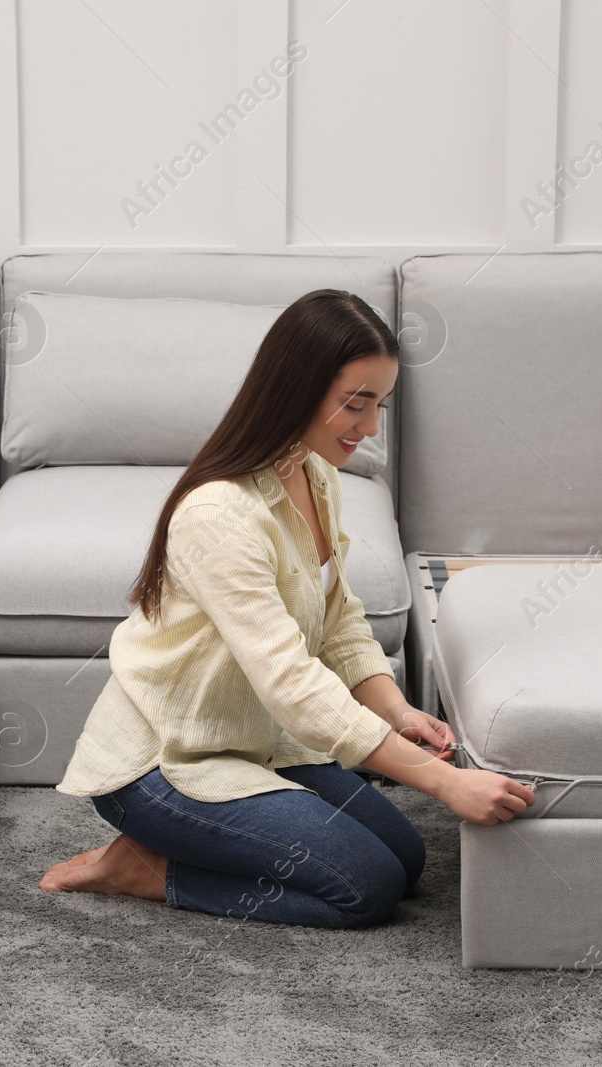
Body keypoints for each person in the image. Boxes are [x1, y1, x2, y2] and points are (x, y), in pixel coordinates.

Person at [39, 288, 535, 928]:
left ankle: (187, 846)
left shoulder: (314, 473)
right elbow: (291, 680)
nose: (371, 427)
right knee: (367, 887)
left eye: (379, 405)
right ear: (295, 388)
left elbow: (338, 620)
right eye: (356, 404)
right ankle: (143, 867)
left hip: (257, 741)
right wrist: (442, 784)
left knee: (408, 857)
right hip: (168, 762)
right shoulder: (219, 515)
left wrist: (397, 710)